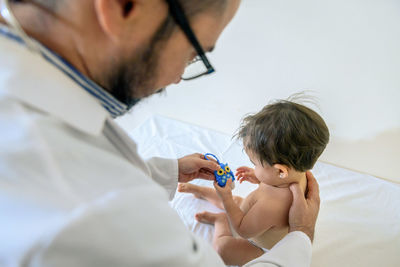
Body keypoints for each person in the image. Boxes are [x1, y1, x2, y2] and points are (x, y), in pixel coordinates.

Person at [0, 0, 320, 266]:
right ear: (123, 8)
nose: (179, 76)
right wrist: (302, 236)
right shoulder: (91, 212)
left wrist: (164, 171)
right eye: (192, 53)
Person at [179, 100, 329, 265]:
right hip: (255, 215)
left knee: (223, 249)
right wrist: (258, 178)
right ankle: (201, 191)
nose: (253, 167)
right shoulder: (297, 174)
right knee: (238, 202)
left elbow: (243, 230)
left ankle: (220, 222)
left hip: (261, 246)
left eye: (255, 164)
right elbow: (275, 183)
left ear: (280, 170)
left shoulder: (271, 205)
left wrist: (226, 197)